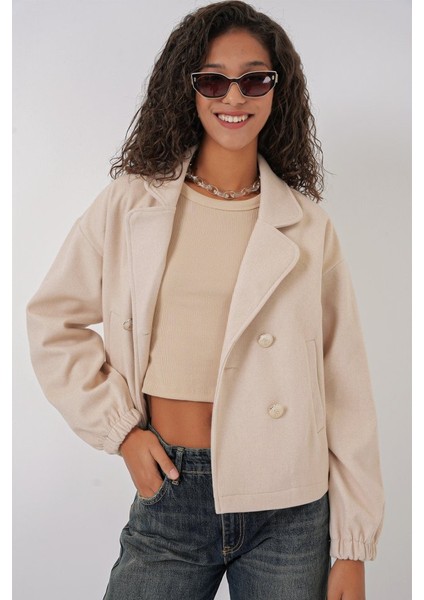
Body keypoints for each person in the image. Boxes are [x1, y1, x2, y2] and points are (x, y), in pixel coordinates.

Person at [26, 1, 385, 598]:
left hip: (290, 507)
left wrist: (351, 548)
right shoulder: (131, 203)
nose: (234, 97)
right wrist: (122, 431)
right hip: (172, 485)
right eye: (214, 80)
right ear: (187, 89)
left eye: (255, 79)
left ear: (278, 90)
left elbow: (345, 390)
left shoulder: (307, 227)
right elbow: (53, 320)